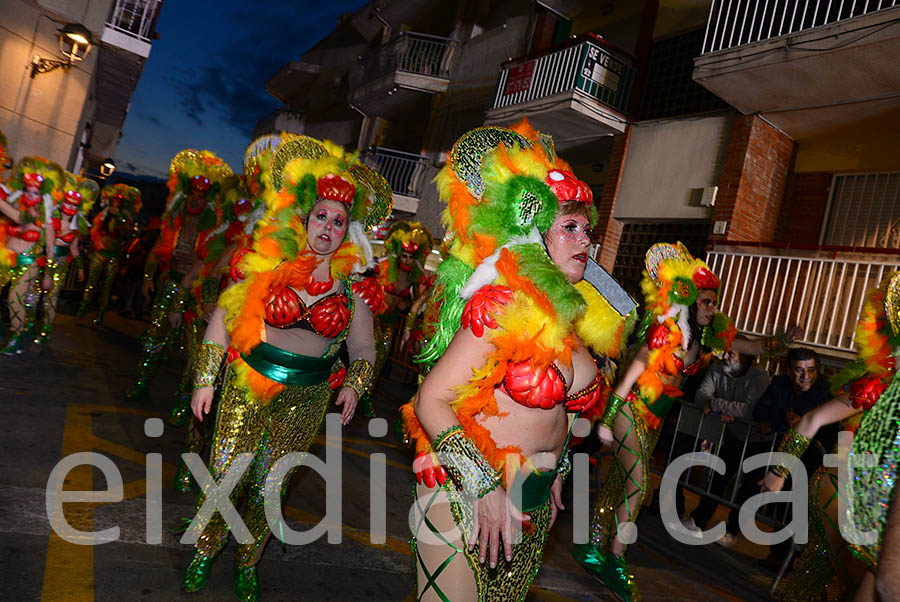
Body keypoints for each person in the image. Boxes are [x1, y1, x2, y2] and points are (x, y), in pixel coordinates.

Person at [401, 121, 633, 602]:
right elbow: (432, 400)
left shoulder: (569, 322)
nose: (585, 240)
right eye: (569, 228)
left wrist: (556, 467)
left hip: (532, 503)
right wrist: (485, 488)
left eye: (586, 229)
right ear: (533, 234)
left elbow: (565, 412)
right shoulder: (502, 305)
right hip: (465, 491)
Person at [182, 135, 390, 601]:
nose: (329, 227)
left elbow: (364, 350)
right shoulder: (267, 268)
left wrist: (355, 385)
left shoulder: (352, 294)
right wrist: (204, 379)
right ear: (304, 218)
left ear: (346, 232)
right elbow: (223, 318)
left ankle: (248, 560)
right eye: (322, 216)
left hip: (307, 398)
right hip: (250, 386)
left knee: (268, 488)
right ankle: (205, 550)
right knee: (225, 475)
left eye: (339, 221)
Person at [575, 241, 793, 601]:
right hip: (630, 408)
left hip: (655, 420)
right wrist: (607, 417)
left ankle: (594, 547)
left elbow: (752, 347)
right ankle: (615, 556)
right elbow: (633, 372)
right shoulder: (668, 332)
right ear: (690, 300)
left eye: (714, 301)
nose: (713, 307)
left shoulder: (703, 336)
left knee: (619, 485)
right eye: (707, 301)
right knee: (640, 485)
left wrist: (779, 342)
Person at [760, 272, 900, 601]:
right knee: (860, 580)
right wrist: (778, 472)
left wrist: (777, 473)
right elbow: (812, 418)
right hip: (841, 496)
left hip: (857, 501)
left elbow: (811, 419)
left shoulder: (882, 382)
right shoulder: (879, 385)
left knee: (837, 581)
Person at [126, 150, 231, 400]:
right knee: (154, 337)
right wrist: (149, 278)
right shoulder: (173, 222)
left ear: (209, 201)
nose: (196, 200)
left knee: (194, 350)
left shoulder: (214, 231)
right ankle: (142, 383)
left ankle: (185, 402)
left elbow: (214, 264)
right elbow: (154, 253)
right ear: (185, 195)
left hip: (195, 293)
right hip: (170, 284)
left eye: (202, 196)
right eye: (192, 194)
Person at [680, 347, 770, 546]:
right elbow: (701, 394)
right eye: (727, 351)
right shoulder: (717, 368)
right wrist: (716, 405)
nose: (727, 355)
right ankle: (698, 520)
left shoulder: (759, 376)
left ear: (747, 356)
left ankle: (732, 531)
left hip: (760, 441)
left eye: (733, 352)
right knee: (718, 477)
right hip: (735, 435)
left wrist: (715, 405)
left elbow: (748, 410)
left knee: (748, 488)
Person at [0, 157, 63, 354]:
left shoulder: (45, 221)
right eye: (27, 190)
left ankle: (17, 337)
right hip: (6, 258)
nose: (30, 195)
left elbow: (51, 251)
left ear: (43, 196)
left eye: (35, 192)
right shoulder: (19, 209)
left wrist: (48, 276)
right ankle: (8, 327)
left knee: (14, 298)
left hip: (29, 262)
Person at [36, 172, 98, 344]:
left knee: (52, 296)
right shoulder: (50, 218)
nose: (70, 208)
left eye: (74, 205)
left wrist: (79, 268)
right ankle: (26, 325)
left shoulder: (76, 226)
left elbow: (75, 249)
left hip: (61, 263)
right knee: (33, 293)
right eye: (68, 203)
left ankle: (45, 330)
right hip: (43, 259)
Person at [77, 183, 142, 324]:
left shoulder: (125, 217)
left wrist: (119, 217)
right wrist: (97, 245)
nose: (116, 203)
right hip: (100, 254)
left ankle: (100, 313)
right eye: (114, 200)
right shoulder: (102, 215)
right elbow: (94, 231)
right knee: (91, 283)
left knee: (107, 286)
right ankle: (83, 307)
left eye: (119, 201)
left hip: (113, 256)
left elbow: (127, 230)